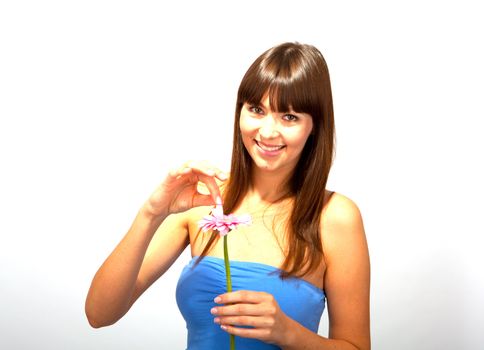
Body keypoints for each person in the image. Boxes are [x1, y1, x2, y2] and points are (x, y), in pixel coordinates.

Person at [85, 42, 371, 350]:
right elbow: (100, 314)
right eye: (257, 110)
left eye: (289, 117)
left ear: (314, 126)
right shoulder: (204, 199)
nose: (268, 132)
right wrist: (151, 213)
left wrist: (289, 333)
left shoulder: (334, 216)